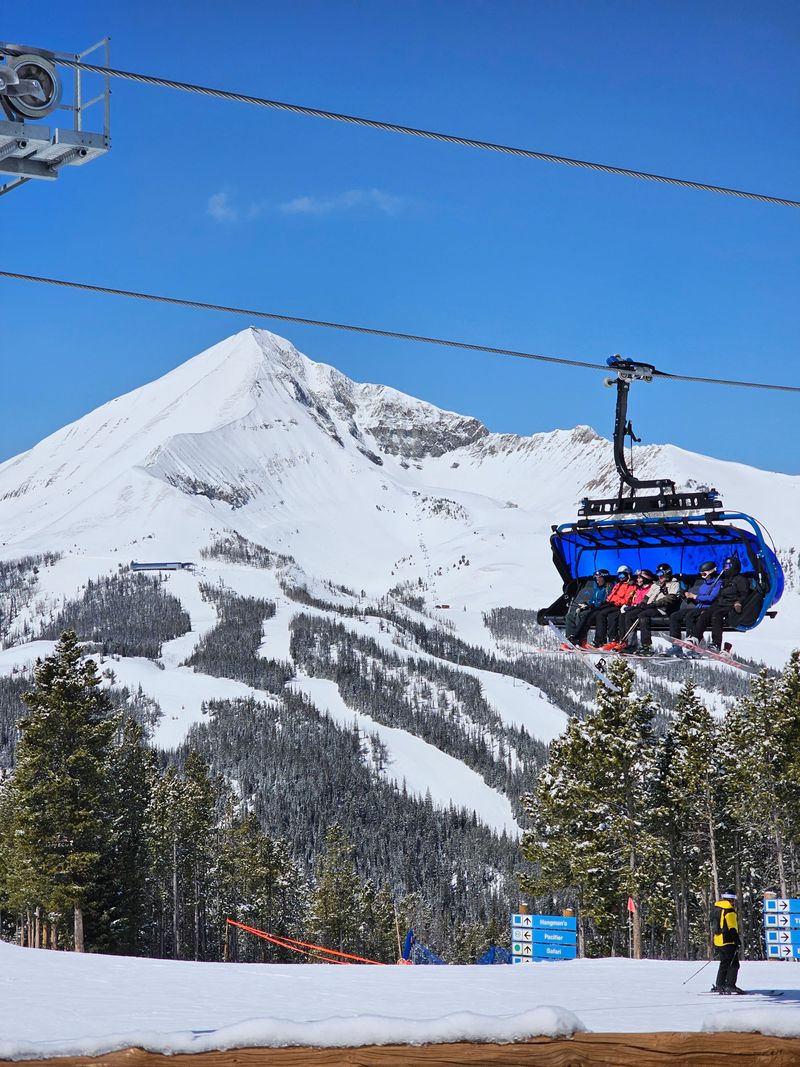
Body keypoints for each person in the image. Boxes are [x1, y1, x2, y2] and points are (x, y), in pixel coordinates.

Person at [616, 562, 682, 654]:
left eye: (661, 574)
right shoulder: (656, 585)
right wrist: (641, 604)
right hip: (649, 607)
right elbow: (647, 597)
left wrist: (654, 604)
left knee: (643, 615)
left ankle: (646, 645)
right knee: (627, 615)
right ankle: (629, 644)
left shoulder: (674, 584)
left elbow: (670, 598)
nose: (659, 577)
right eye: (657, 574)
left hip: (661, 609)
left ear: (667, 573)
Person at [688, 556, 750, 653]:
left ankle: (716, 644)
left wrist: (738, 602)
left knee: (717, 615)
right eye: (725, 566)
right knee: (705, 614)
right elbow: (720, 594)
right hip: (720, 603)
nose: (725, 568)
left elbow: (744, 594)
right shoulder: (725, 580)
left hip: (731, 604)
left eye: (728, 566)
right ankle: (695, 637)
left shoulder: (740, 579)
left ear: (734, 566)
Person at [665, 561, 722, 656]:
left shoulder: (718, 583)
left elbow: (711, 598)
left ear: (711, 572)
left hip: (708, 608)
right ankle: (676, 646)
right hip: (698, 607)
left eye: (704, 574)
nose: (702, 576)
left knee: (690, 616)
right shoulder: (704, 585)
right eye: (701, 574)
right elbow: (699, 598)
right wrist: (689, 596)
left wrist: (694, 596)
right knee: (674, 616)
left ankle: (691, 644)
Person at [601, 569, 654, 650]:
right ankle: (623, 641)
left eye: (640, 578)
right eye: (637, 578)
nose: (637, 580)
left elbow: (645, 601)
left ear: (645, 579)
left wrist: (634, 606)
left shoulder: (650, 588)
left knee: (628, 616)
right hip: (634, 607)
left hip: (642, 608)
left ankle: (631, 643)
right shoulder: (639, 588)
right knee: (622, 616)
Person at [561, 569, 610, 648]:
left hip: (599, 609)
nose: (597, 580)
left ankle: (580, 639)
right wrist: (585, 604)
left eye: (599, 578)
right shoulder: (598, 589)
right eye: (596, 578)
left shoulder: (607, 588)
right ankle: (570, 638)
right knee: (570, 616)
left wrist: (591, 605)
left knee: (582, 615)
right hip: (593, 607)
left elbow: (605, 601)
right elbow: (592, 600)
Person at [592, 565, 637, 648]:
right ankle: (599, 640)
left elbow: (627, 599)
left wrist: (614, 602)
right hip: (612, 605)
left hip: (620, 606)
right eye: (619, 575)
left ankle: (613, 639)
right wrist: (607, 601)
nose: (620, 577)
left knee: (612, 616)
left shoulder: (631, 586)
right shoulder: (617, 585)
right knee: (600, 614)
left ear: (628, 575)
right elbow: (612, 595)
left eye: (623, 575)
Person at [711, 891, 743, 994]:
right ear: (732, 900)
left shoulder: (716, 909)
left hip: (718, 940)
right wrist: (737, 941)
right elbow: (732, 928)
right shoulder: (729, 911)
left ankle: (720, 985)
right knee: (734, 964)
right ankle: (730, 985)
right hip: (728, 941)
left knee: (724, 963)